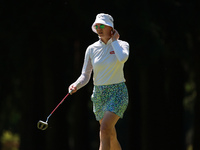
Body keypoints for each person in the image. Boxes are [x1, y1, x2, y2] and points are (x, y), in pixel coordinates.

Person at [68, 13, 130, 150]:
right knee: (110, 134)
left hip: (118, 93)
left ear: (111, 27)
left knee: (104, 129)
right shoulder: (91, 49)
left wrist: (114, 40)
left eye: (102, 25)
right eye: (97, 25)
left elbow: (122, 58)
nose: (99, 28)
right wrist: (76, 85)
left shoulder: (122, 45)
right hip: (99, 95)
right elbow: (85, 75)